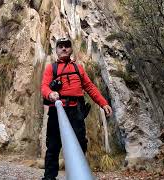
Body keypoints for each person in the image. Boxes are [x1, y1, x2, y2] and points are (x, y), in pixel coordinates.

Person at [41, 37, 113, 180]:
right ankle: (49, 178)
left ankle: (78, 175)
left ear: (71, 49)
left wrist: (103, 103)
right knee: (53, 146)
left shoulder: (78, 68)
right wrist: (50, 93)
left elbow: (90, 87)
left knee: (80, 144)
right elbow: (44, 86)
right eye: (60, 46)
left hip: (76, 111)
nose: (64, 49)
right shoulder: (51, 68)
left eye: (67, 46)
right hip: (57, 110)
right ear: (56, 50)